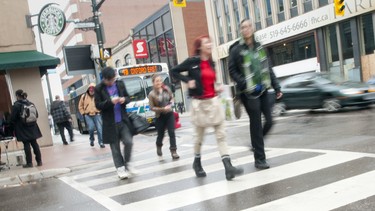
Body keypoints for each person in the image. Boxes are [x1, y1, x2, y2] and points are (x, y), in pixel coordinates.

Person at [172, 35, 243, 181]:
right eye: (206, 43)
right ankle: (196, 163)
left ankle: (228, 168)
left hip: (213, 102)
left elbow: (211, 81)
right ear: (199, 47)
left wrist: (216, 87)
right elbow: (174, 71)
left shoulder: (212, 63)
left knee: (221, 135)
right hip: (200, 105)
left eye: (210, 42)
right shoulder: (192, 62)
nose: (210, 44)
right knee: (199, 138)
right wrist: (187, 80)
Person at [229, 19, 283, 170]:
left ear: (253, 28)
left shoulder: (260, 47)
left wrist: (277, 86)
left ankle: (256, 145)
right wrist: (244, 83)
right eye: (243, 27)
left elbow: (268, 67)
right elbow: (232, 70)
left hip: (264, 89)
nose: (246, 29)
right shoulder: (236, 49)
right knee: (256, 124)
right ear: (241, 30)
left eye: (248, 26)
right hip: (248, 93)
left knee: (270, 121)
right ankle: (259, 159)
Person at [95, 67, 137, 180]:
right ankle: (120, 168)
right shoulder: (98, 89)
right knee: (115, 148)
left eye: (113, 79)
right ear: (104, 79)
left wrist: (124, 99)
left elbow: (129, 98)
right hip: (110, 123)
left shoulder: (120, 84)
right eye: (110, 80)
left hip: (122, 120)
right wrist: (110, 102)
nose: (112, 82)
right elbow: (98, 106)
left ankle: (127, 164)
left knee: (129, 142)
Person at [148, 74, 180, 160]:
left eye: (160, 80)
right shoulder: (151, 94)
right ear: (153, 83)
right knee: (161, 135)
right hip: (160, 116)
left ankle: (174, 151)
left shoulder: (166, 89)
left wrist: (170, 105)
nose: (159, 82)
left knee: (171, 132)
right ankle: (159, 145)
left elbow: (172, 98)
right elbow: (151, 107)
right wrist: (162, 109)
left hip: (169, 114)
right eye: (157, 81)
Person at [10, 90, 42, 168]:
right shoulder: (31, 103)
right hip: (33, 126)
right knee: (34, 143)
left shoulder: (16, 105)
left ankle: (29, 163)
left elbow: (12, 118)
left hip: (22, 128)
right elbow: (36, 115)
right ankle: (39, 161)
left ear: (17, 96)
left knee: (26, 144)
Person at [78, 83, 104, 148]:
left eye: (93, 90)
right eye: (90, 90)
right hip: (88, 115)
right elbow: (80, 106)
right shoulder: (83, 96)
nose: (91, 91)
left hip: (97, 114)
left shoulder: (98, 95)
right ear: (88, 90)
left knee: (99, 129)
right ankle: (91, 140)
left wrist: (101, 111)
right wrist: (83, 113)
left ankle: (101, 142)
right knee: (91, 128)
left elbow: (102, 103)